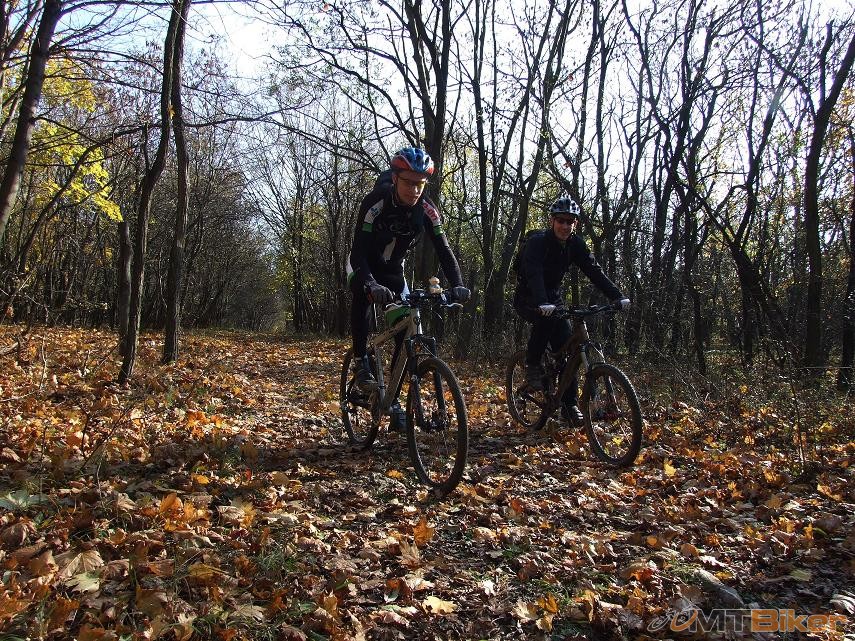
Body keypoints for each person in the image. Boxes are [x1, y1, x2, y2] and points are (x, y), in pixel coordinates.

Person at [347, 147, 470, 429]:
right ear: (395, 178)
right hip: (364, 265)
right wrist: (370, 283)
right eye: (408, 182)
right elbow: (358, 251)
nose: (415, 190)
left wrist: (458, 285)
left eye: (420, 184)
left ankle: (391, 399)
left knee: (406, 332)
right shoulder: (375, 202)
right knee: (362, 294)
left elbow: (444, 250)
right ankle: (361, 360)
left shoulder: (428, 210)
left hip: (393, 271)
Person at [513, 195, 629, 424]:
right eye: (561, 221)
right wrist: (541, 302)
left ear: (575, 224)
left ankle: (569, 406)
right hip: (528, 296)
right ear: (552, 221)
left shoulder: (575, 244)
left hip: (553, 298)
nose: (565, 226)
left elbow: (594, 270)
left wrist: (617, 296)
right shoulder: (537, 243)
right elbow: (534, 274)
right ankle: (533, 365)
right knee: (545, 321)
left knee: (569, 348)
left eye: (570, 222)